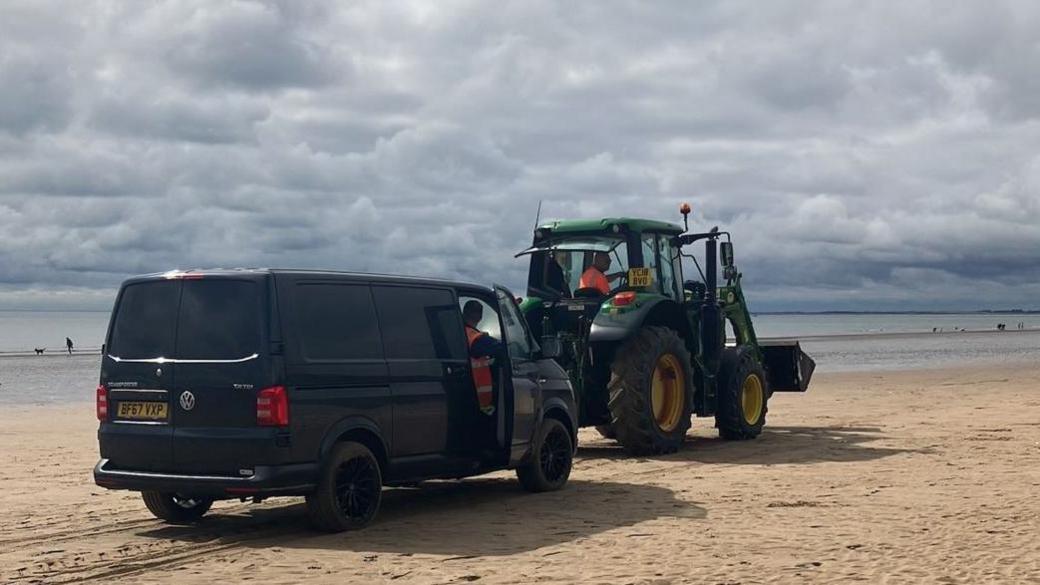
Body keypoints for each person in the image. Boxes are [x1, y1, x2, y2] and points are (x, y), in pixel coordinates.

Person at [462, 301, 503, 415]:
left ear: (464, 313)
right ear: (479, 316)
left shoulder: (460, 332)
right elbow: (503, 349)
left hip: (466, 393)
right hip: (478, 402)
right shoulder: (477, 338)